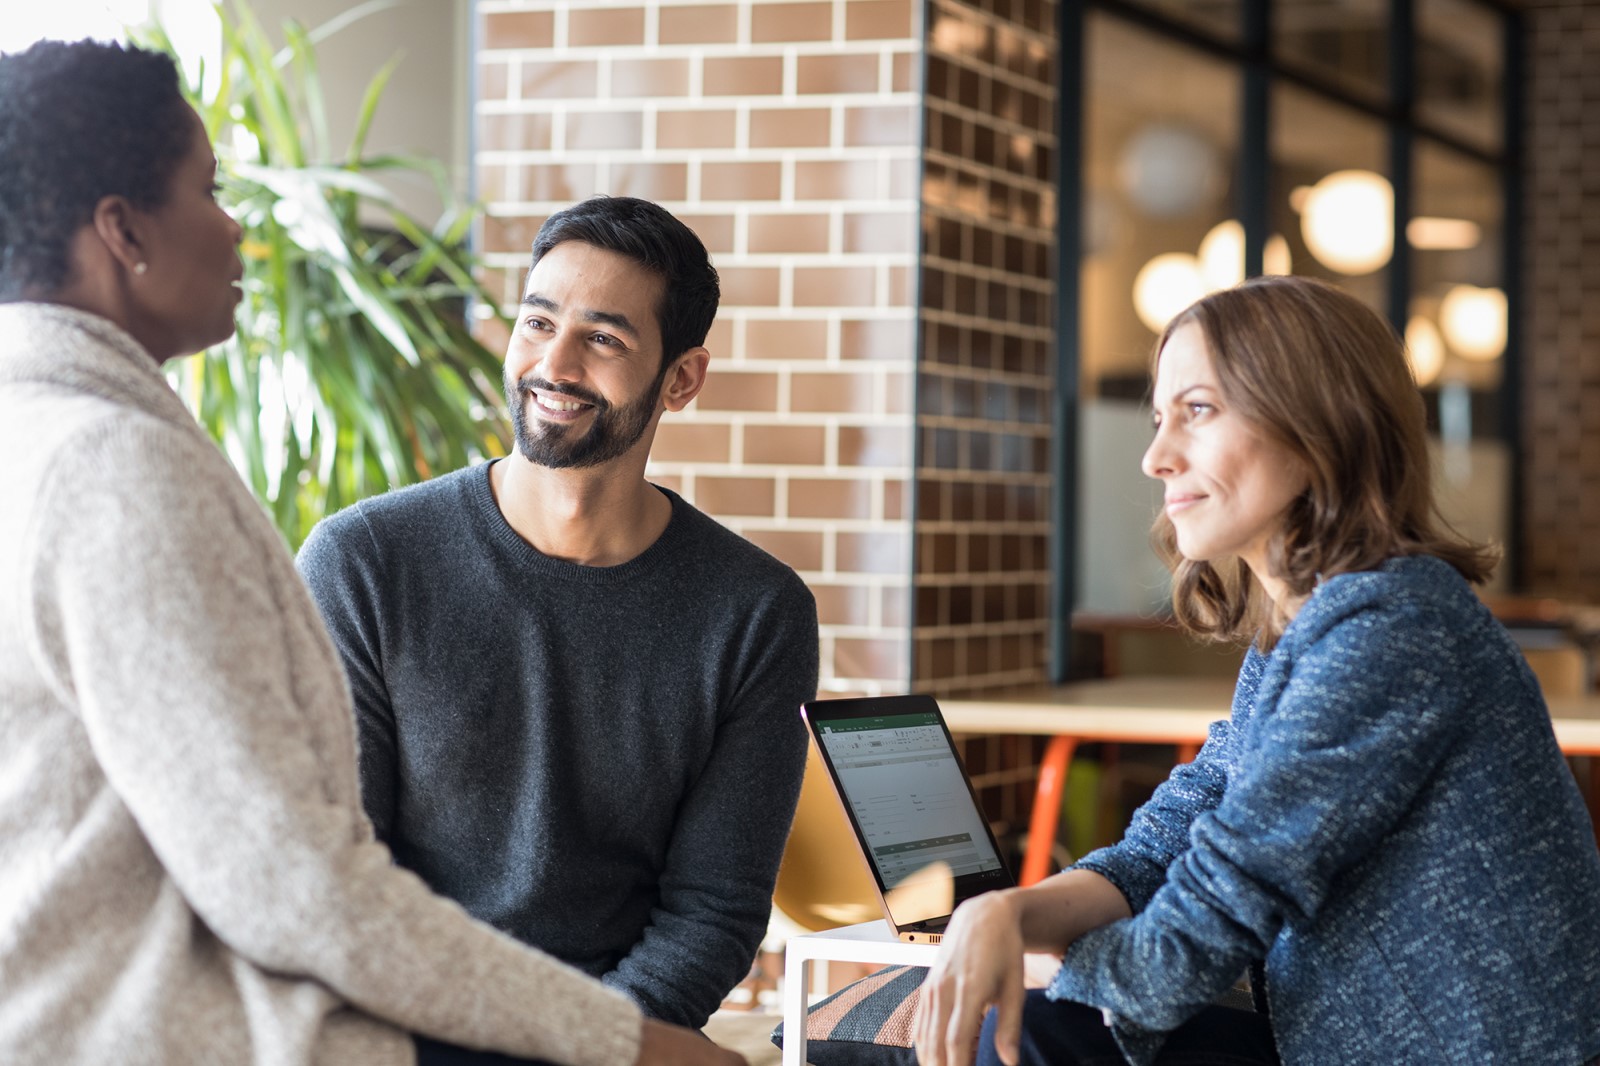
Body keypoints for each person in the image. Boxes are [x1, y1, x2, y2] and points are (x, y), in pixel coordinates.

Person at [0, 38, 744, 1066]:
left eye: (606, 337)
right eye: (207, 191)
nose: (236, 225)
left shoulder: (42, 436)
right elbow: (294, 886)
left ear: (681, 377)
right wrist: (624, 1045)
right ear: (124, 230)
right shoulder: (117, 466)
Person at [912, 275, 1600, 1066]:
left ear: (1320, 427)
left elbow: (1214, 915)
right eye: (1160, 418)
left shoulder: (1395, 628)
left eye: (1199, 410)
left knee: (1020, 1029)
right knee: (1023, 1026)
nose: (1156, 457)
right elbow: (1170, 842)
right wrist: (1006, 914)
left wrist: (1046, 964)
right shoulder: (1295, 636)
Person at [294, 195, 819, 1030]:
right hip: (404, 1030)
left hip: (617, 1039)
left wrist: (585, 1048)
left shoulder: (757, 613)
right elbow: (338, 877)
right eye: (538, 323)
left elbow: (712, 911)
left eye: (603, 339)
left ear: (681, 379)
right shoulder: (363, 564)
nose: (555, 364)